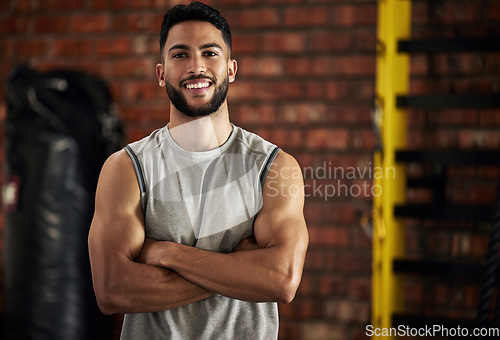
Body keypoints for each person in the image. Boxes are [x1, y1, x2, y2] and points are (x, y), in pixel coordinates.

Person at [88, 2, 309, 339]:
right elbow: (113, 290)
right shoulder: (127, 168)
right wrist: (239, 268)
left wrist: (166, 253)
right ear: (161, 74)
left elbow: (281, 280)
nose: (196, 66)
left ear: (231, 69)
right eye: (180, 55)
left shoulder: (274, 167)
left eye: (210, 53)